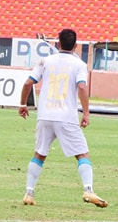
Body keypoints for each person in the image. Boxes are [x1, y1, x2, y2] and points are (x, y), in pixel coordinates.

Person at [17, 28, 107, 208]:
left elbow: (28, 83)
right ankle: (88, 190)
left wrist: (23, 104)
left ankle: (29, 192)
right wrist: (86, 112)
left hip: (45, 115)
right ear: (75, 45)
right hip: (65, 116)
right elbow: (81, 87)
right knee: (82, 153)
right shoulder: (79, 65)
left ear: (57, 43)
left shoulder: (45, 60)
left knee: (39, 154)